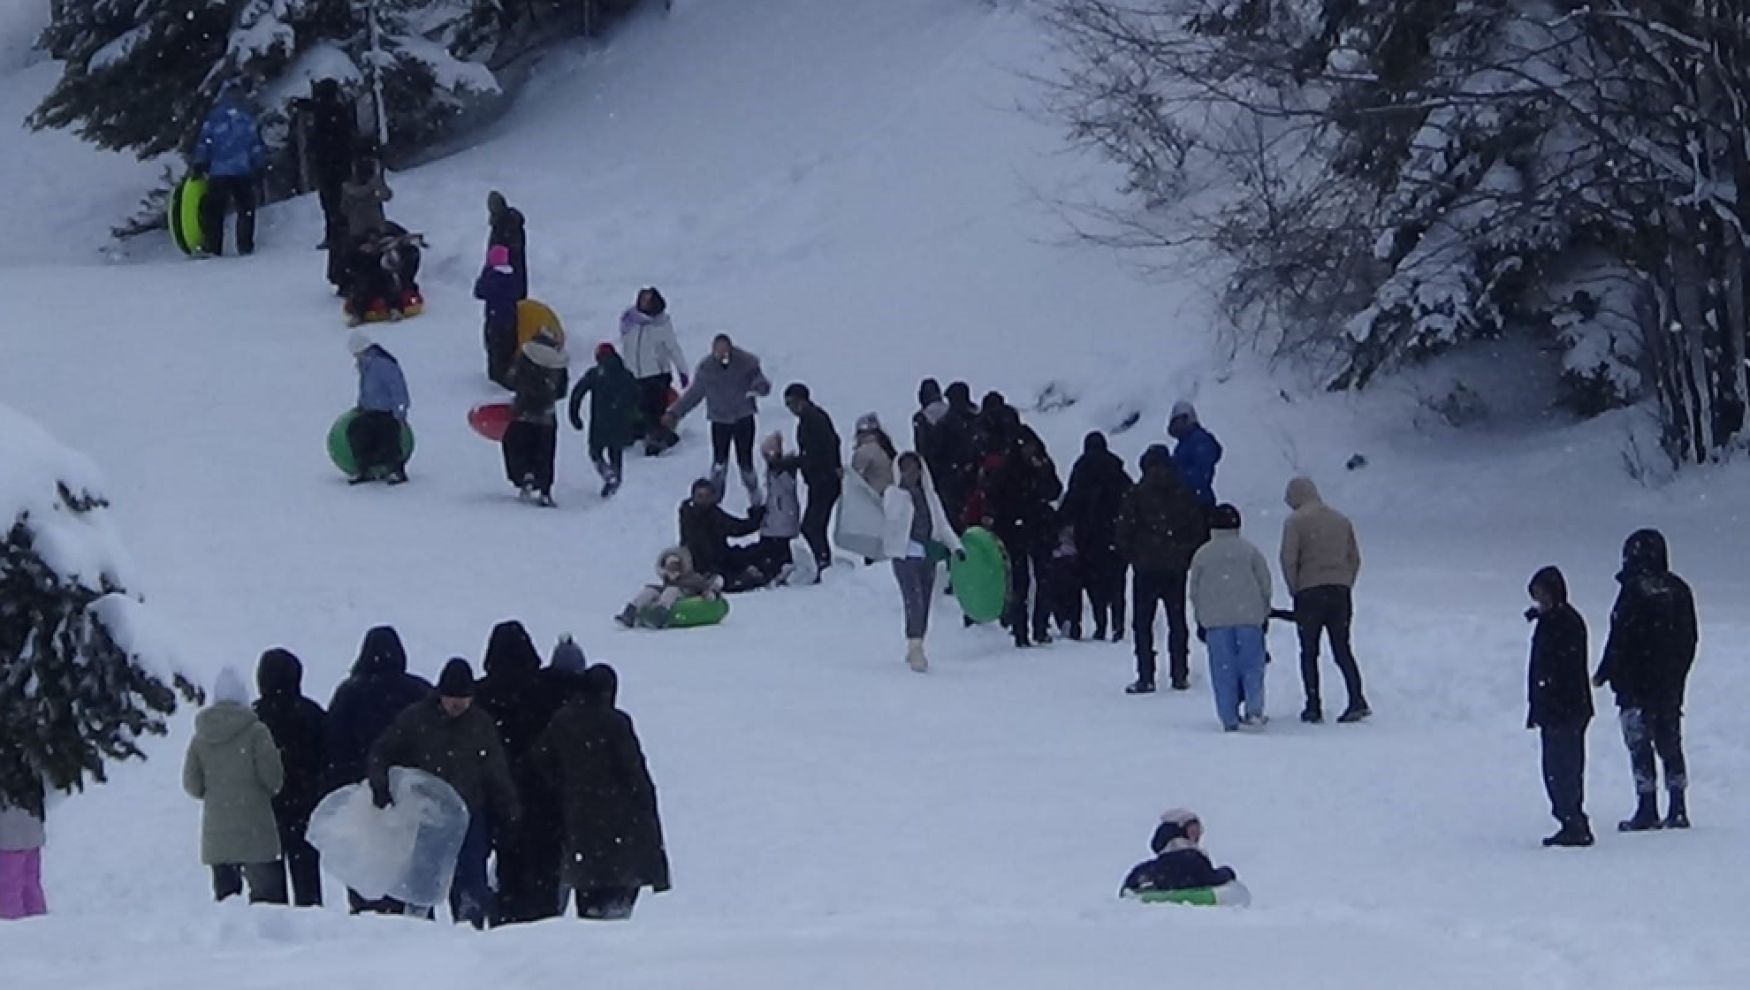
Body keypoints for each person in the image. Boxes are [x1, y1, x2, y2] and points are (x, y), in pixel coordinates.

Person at [370, 658, 522, 929]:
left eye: (463, 698)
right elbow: (384, 750)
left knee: (470, 882)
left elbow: (496, 772)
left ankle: (469, 931)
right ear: (441, 694)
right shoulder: (416, 719)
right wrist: (380, 783)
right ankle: (419, 932)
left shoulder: (480, 724)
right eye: (452, 697)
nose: (457, 704)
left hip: (468, 815)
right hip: (426, 815)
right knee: (420, 881)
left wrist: (509, 810)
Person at [533, 664, 671, 920]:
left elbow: (540, 760)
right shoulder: (616, 723)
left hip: (579, 820)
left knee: (588, 894)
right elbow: (635, 774)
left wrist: (563, 787)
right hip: (619, 822)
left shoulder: (563, 720)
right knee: (617, 897)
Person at [1594, 529, 1698, 832]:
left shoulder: (1632, 591)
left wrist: (1606, 671)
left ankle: (1647, 806)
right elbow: (1689, 638)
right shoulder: (1678, 590)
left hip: (1634, 686)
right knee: (1670, 741)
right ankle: (1678, 806)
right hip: (1668, 684)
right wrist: (1677, 672)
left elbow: (1620, 637)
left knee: (1639, 744)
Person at [323, 625, 432, 914]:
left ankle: (367, 913)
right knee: (408, 861)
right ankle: (412, 913)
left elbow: (333, 745)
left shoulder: (349, 693)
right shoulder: (419, 690)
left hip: (363, 794)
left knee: (367, 862)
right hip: (410, 793)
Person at [475, 621, 564, 925]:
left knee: (509, 861)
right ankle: (545, 918)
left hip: (501, 791)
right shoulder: (551, 688)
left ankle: (508, 918)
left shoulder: (481, 694)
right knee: (545, 862)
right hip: (546, 791)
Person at [183, 667, 286, 905]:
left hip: (218, 831)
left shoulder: (201, 737)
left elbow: (191, 784)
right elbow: (273, 778)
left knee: (227, 905)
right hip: (255, 828)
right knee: (267, 902)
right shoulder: (256, 732)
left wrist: (215, 795)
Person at [1115, 445, 1207, 693]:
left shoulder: (1136, 494)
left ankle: (1146, 675)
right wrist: (1185, 554)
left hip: (1146, 567)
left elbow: (1124, 531)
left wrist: (1134, 555)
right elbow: (1197, 529)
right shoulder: (1183, 492)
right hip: (1175, 567)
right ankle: (1179, 673)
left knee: (1143, 623)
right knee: (1176, 620)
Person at [1280, 477, 1368, 724]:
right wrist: (1345, 581)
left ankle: (1313, 704)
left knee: (1309, 652)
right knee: (1342, 648)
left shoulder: (1295, 522)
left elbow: (1289, 559)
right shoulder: (1341, 520)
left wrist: (1295, 588)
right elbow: (1355, 557)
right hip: (1340, 591)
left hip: (1309, 592)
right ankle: (1356, 698)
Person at [1188, 505, 1273, 732]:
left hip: (1216, 621)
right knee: (1252, 667)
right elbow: (1265, 583)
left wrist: (1200, 617)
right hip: (1249, 617)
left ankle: (1229, 717)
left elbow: (1194, 590)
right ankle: (1254, 711)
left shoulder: (1202, 554)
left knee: (1222, 670)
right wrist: (1263, 611)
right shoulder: (1249, 551)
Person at [1526, 567, 1594, 847]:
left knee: (1562, 768)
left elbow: (1556, 668)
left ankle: (1573, 821)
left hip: (1564, 710)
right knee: (1559, 768)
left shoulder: (1563, 623)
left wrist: (1545, 702)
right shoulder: (1556, 621)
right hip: (1560, 709)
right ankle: (1570, 818)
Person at [253, 648, 327, 907]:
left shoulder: (254, 717)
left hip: (265, 809)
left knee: (269, 889)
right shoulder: (313, 714)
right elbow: (327, 758)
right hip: (305, 808)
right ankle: (313, 920)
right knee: (307, 877)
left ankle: (275, 932)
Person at [664, 334, 772, 508]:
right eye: (718, 351)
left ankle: (754, 496)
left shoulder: (746, 363)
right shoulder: (707, 369)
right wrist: (674, 413)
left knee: (746, 461)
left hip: (743, 418)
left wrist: (759, 387)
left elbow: (761, 381)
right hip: (720, 421)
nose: (722, 355)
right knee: (719, 463)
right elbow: (694, 395)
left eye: (724, 351)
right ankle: (714, 499)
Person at [883, 452, 963, 672]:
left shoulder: (930, 495)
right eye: (906, 468)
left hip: (927, 555)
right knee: (914, 599)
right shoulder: (894, 495)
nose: (912, 473)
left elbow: (941, 524)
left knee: (925, 601)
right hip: (905, 555)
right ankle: (915, 645)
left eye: (915, 468)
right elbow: (894, 519)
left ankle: (917, 642)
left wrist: (956, 547)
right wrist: (903, 494)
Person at [984, 432, 1063, 648]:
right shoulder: (1009, 471)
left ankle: (1037, 627)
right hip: (1021, 529)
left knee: (1039, 580)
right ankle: (1022, 629)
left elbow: (1054, 491)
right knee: (1024, 582)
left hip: (1031, 529)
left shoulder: (1036, 467)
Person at [1059, 431, 1133, 641]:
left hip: (1089, 535)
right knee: (1117, 582)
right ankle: (1118, 624)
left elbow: (1072, 500)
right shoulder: (1116, 469)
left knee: (1094, 583)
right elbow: (1130, 496)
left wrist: (1059, 522)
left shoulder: (1082, 468)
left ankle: (1101, 625)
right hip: (1114, 533)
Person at [190, 80, 265, 256]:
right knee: (245, 208)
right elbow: (255, 145)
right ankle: (245, 245)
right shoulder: (246, 118)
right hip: (242, 171)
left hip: (219, 173)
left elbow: (204, 143)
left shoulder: (215, 118)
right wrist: (259, 164)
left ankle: (214, 246)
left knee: (215, 211)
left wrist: (200, 164)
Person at [503, 331, 570, 506]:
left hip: (522, 412)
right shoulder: (559, 360)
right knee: (545, 453)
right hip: (547, 416)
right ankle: (545, 490)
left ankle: (525, 475)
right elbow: (562, 390)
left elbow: (510, 378)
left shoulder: (526, 353)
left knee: (516, 446)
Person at [619, 287, 688, 454]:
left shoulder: (662, 323)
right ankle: (640, 434)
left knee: (654, 410)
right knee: (638, 408)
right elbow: (627, 347)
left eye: (648, 299)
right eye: (642, 298)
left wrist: (682, 370)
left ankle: (657, 441)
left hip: (656, 374)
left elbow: (673, 348)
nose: (644, 302)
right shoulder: (630, 321)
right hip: (635, 374)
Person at [568, 342, 641, 498]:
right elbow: (638, 398)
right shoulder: (626, 374)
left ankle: (607, 474)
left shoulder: (595, 374)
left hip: (600, 422)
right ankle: (616, 479)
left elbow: (577, 393)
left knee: (595, 452)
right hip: (621, 422)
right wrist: (636, 421)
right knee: (616, 452)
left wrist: (574, 416)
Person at [785, 383, 842, 573]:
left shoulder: (811, 419)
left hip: (822, 480)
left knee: (812, 526)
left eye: (791, 403)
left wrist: (794, 462)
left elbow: (817, 452)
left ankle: (824, 563)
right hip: (823, 479)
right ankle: (823, 562)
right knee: (815, 525)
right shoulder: (814, 417)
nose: (790, 408)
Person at [1119, 809, 1239, 898]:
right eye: (1193, 831)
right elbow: (1209, 878)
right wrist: (1227, 872)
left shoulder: (1153, 866)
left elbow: (1129, 886)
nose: (1197, 837)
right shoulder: (1193, 858)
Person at [677, 478, 766, 592]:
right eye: (700, 496)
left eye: (707, 496)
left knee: (749, 553)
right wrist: (757, 517)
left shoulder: (709, 512)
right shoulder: (697, 515)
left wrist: (756, 518)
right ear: (693, 497)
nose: (704, 500)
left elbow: (737, 527)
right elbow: (737, 528)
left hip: (718, 558)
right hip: (707, 564)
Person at [345, 330, 411, 485]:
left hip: (387, 412)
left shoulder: (383, 364)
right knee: (357, 432)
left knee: (389, 438)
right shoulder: (365, 365)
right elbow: (365, 389)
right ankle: (364, 468)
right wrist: (361, 405)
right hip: (369, 411)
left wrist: (400, 412)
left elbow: (397, 388)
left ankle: (396, 470)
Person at [616, 547, 725, 629]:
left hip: (684, 595)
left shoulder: (692, 579)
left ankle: (660, 614)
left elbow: (710, 583)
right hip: (668, 592)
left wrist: (711, 593)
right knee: (649, 591)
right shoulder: (667, 582)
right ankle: (631, 612)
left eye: (675, 568)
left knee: (671, 591)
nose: (673, 573)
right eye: (669, 569)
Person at [306, 78, 355, 253]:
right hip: (336, 164)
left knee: (333, 202)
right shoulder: (337, 111)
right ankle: (337, 234)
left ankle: (338, 235)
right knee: (334, 202)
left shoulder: (330, 113)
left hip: (331, 164)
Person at [754, 432, 803, 584]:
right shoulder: (774, 471)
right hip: (777, 517)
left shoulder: (783, 471)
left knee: (777, 546)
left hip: (781, 517)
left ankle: (779, 570)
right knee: (775, 545)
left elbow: (784, 491)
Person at [0, 772, 46, 920]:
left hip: (8, 837)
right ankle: (38, 921)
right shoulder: (28, 757)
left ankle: (11, 924)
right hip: (31, 829)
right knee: (30, 882)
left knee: (8, 885)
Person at [933, 382, 980, 528]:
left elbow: (937, 452)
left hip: (953, 478)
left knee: (957, 520)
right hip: (978, 475)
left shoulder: (947, 422)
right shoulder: (978, 418)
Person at [475, 245, 521, 388]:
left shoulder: (492, 276)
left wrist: (485, 272)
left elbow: (479, 292)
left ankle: (496, 378)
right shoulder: (513, 275)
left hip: (495, 319)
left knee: (494, 347)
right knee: (507, 347)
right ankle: (507, 374)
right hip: (511, 318)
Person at [1167, 401, 1222, 508]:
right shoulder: (1184, 444)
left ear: (1188, 419)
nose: (1176, 425)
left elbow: (1201, 472)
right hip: (1188, 500)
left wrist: (1176, 479)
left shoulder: (1199, 440)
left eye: (1179, 420)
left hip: (1197, 502)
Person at [487, 190, 529, 299]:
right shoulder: (510, 224)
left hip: (504, 286)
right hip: (515, 280)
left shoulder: (504, 227)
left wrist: (488, 280)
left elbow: (498, 259)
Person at [851, 413, 898, 496]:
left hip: (874, 498)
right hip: (890, 494)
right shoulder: (885, 449)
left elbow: (854, 478)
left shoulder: (864, 451)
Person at [912, 379, 950, 481]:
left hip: (935, 468)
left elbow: (921, 446)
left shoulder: (920, 418)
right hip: (958, 465)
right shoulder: (952, 411)